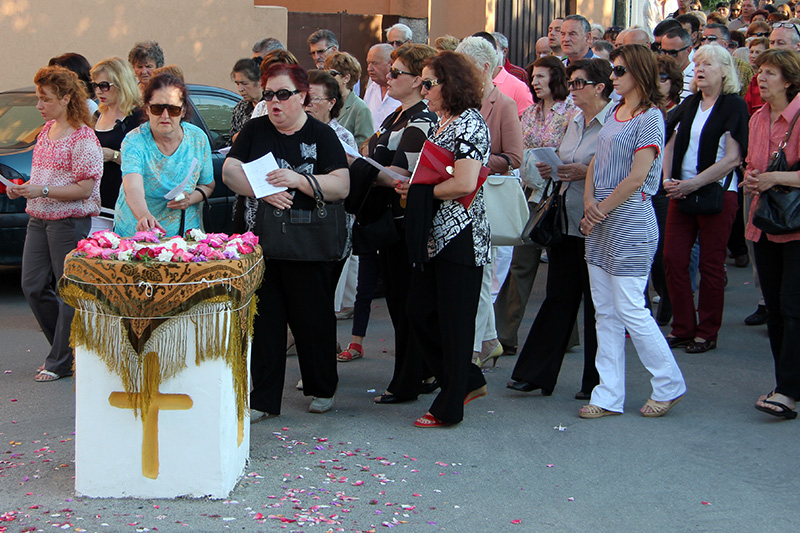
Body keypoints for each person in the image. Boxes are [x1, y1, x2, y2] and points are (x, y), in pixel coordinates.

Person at [223, 63, 349, 418]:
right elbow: (230, 170)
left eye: (283, 94)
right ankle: (263, 399)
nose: (274, 102)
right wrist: (261, 191)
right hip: (260, 243)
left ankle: (322, 387)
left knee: (313, 320)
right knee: (265, 322)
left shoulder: (322, 135)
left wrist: (298, 180)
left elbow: (342, 184)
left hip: (307, 244)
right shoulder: (255, 130)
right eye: (268, 95)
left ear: (303, 96)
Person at [579, 44, 686, 418]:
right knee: (605, 312)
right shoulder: (615, 111)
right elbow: (597, 160)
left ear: (638, 73)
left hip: (630, 220)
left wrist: (599, 210)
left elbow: (639, 176)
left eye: (619, 71)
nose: (613, 77)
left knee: (630, 308)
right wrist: (590, 202)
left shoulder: (651, 117)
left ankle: (668, 383)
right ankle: (607, 394)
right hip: (602, 219)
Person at [507, 59, 613, 399]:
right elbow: (568, 159)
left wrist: (583, 172)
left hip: (598, 223)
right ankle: (536, 373)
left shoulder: (614, 121)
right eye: (571, 82)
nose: (572, 88)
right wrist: (552, 167)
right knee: (558, 297)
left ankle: (596, 382)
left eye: (579, 83)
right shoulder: (576, 120)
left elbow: (619, 172)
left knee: (598, 305)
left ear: (600, 87)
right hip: (567, 219)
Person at [341, 44, 439, 400]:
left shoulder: (422, 119)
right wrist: (366, 165)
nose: (388, 77)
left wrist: (359, 167)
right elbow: (374, 160)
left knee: (406, 303)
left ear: (417, 81)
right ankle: (421, 372)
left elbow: (399, 174)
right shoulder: (394, 116)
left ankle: (410, 379)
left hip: (404, 222)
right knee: (400, 303)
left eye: (397, 73)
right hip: (386, 221)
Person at [399, 51, 491, 427]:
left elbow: (466, 182)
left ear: (449, 84)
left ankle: (451, 402)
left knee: (455, 321)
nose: (423, 89)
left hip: (462, 234)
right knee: (419, 311)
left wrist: (420, 192)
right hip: (435, 235)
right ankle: (465, 379)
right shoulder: (442, 122)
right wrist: (418, 189)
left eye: (428, 83)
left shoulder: (470, 123)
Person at [7, 66, 102, 382]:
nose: (39, 105)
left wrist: (41, 189)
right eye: (38, 98)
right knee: (32, 285)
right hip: (39, 216)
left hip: (69, 220)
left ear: (65, 98)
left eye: (44, 99)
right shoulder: (45, 132)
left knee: (67, 290)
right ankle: (69, 349)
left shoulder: (83, 137)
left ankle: (60, 360)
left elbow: (85, 188)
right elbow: (44, 177)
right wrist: (23, 186)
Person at [662, 45, 749, 354]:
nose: (699, 69)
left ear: (724, 71)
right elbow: (668, 140)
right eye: (697, 64)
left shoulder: (733, 105)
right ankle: (683, 327)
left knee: (711, 265)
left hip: (716, 194)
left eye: (708, 64)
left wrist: (692, 184)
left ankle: (707, 331)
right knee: (673, 259)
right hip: (680, 192)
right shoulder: (689, 104)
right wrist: (668, 179)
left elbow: (733, 158)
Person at [495, 56, 576, 357]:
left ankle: (566, 335)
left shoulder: (572, 112)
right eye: (533, 77)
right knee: (522, 262)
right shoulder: (528, 113)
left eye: (541, 76)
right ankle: (505, 334)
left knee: (562, 269)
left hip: (561, 194)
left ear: (557, 77)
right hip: (531, 194)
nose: (535, 82)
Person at [455, 36, 523, 367]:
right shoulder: (459, 102)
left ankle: (474, 348)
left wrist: (474, 164)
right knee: (478, 275)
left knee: (480, 275)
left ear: (484, 68)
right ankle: (489, 340)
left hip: (485, 198)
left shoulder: (504, 104)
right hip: (460, 199)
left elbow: (514, 156)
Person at [742, 49, 800, 419]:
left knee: (794, 308)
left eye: (771, 73)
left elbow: (776, 173)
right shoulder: (758, 118)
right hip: (763, 222)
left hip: (796, 227)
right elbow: (752, 164)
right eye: (760, 72)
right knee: (776, 310)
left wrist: (774, 177)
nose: (762, 79)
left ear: (789, 80)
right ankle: (787, 381)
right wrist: (751, 179)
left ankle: (788, 391)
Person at [114, 74, 214, 237]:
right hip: (137, 233)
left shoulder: (198, 139)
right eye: (157, 109)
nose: (165, 116)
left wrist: (190, 199)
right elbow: (132, 187)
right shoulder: (134, 141)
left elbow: (207, 186)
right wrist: (144, 215)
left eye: (173, 109)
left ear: (183, 111)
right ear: (147, 109)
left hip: (184, 237)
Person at [90, 58, 145, 212]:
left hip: (124, 204)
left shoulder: (138, 117)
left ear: (122, 84)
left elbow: (147, 164)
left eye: (104, 86)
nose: (98, 91)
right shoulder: (97, 115)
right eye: (95, 85)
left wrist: (113, 156)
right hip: (96, 203)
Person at [325, 52, 374, 147]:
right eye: (325, 73)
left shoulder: (360, 108)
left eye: (332, 74)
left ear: (346, 78)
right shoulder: (326, 102)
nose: (327, 78)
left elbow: (364, 146)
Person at [363, 44, 401, 131]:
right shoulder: (372, 88)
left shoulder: (402, 91)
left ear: (391, 64)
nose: (369, 68)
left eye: (375, 63)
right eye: (368, 63)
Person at [229, 58, 262, 142]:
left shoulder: (271, 105)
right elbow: (232, 138)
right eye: (237, 84)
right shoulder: (241, 107)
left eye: (244, 84)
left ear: (260, 82)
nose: (240, 89)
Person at [659, 27, 695, 101]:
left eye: (673, 53)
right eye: (663, 52)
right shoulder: (658, 75)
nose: (667, 56)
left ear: (688, 50)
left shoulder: (697, 76)